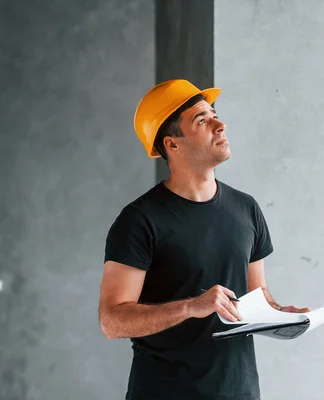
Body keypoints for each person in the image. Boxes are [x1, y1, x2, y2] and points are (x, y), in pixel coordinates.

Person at [98, 79, 310, 400]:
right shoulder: (139, 220)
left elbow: (257, 294)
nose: (220, 124)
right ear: (172, 144)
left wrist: (281, 315)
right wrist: (191, 307)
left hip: (239, 391)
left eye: (214, 114)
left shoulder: (246, 208)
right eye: (202, 120)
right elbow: (112, 321)